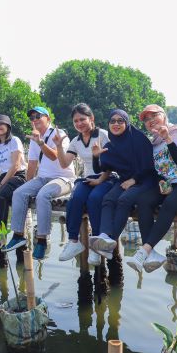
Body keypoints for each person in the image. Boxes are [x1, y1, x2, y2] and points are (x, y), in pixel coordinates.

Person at [126, 105, 177, 273]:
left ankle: (144, 250)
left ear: (164, 116)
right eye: (146, 119)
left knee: (169, 203)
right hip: (171, 184)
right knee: (143, 200)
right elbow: (160, 170)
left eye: (154, 115)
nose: (150, 120)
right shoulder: (153, 142)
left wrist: (168, 139)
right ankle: (151, 253)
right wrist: (162, 182)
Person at [2, 107, 75, 260]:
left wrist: (41, 143)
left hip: (63, 179)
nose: (34, 120)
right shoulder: (33, 138)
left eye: (38, 116)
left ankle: (41, 240)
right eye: (32, 118)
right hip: (42, 179)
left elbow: (55, 157)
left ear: (48, 118)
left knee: (43, 195)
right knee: (19, 193)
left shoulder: (59, 134)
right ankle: (17, 235)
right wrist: (27, 185)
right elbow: (32, 164)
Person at [90, 110, 158, 260]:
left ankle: (111, 241)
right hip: (126, 180)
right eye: (112, 121)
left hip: (146, 179)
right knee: (108, 199)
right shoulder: (111, 144)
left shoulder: (140, 139)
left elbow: (149, 165)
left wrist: (134, 180)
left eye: (120, 121)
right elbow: (101, 169)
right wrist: (95, 157)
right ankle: (104, 235)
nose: (116, 124)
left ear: (127, 123)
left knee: (124, 199)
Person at [56, 103, 114, 265]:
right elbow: (64, 163)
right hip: (88, 178)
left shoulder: (103, 135)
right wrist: (59, 146)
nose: (79, 123)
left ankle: (96, 245)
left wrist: (100, 179)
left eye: (82, 119)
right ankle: (74, 240)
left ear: (92, 118)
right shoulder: (75, 141)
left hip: (107, 176)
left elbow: (112, 163)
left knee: (94, 199)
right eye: (76, 121)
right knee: (75, 199)